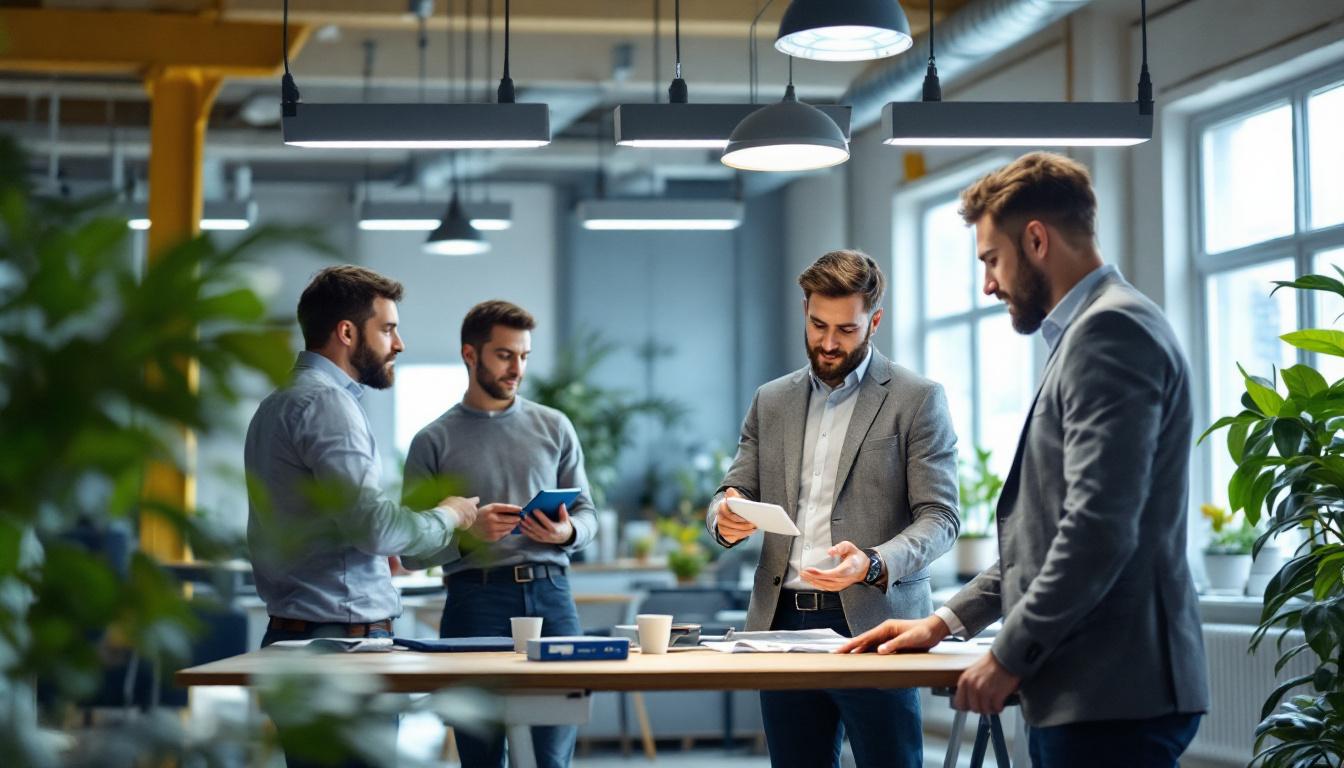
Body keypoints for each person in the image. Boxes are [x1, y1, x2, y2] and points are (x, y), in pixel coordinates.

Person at [839, 152, 1209, 766]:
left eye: (991, 259)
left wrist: (1009, 654)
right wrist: (943, 623)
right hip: (1094, 690)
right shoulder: (1091, 332)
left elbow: (1098, 529)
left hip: (1111, 691)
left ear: (1035, 239)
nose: (988, 283)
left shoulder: (1110, 333)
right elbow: (1046, 536)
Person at [707, 250, 960, 768]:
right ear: (805, 308)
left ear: (875, 319)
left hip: (875, 624)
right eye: (818, 324)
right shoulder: (770, 400)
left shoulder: (917, 398)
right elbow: (733, 489)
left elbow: (941, 518)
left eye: (846, 330)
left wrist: (871, 561)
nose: (828, 342)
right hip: (779, 627)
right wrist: (725, 517)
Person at [245, 265, 478, 768]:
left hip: (303, 637)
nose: (399, 343)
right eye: (388, 328)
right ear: (347, 333)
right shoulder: (327, 405)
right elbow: (373, 526)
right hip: (337, 648)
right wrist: (448, 516)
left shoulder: (278, 403)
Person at [402, 300, 596, 768]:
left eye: (524, 356)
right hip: (474, 602)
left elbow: (587, 513)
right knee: (481, 754)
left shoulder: (555, 426)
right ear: (470, 355)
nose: (517, 369)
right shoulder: (433, 440)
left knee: (552, 757)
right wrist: (470, 536)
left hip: (553, 597)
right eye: (505, 355)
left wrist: (567, 532)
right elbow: (408, 549)